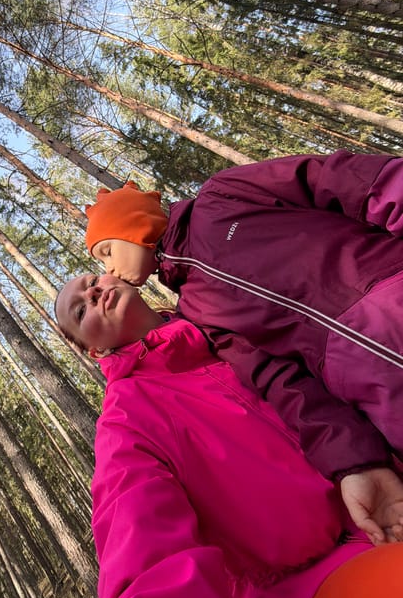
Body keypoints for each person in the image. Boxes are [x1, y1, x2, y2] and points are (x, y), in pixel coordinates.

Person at [55, 273, 403, 598]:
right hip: (311, 595)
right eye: (81, 309)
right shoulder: (126, 422)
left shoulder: (228, 317)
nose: (94, 292)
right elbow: (143, 561)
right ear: (93, 351)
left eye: (90, 281)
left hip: (391, 490)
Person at [83, 150, 403, 543]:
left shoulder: (223, 196)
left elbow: (339, 179)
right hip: (386, 400)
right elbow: (281, 382)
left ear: (130, 224)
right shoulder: (197, 312)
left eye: (106, 252)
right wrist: (356, 462)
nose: (108, 271)